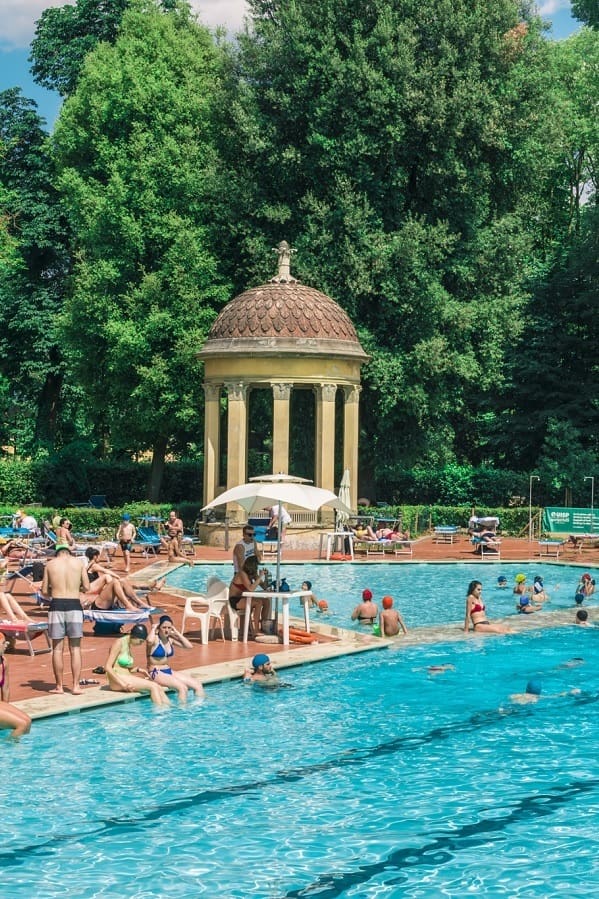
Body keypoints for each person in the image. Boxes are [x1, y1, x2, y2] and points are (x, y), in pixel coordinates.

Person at [41, 544, 90, 695]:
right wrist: (76, 589)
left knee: (57, 649)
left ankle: (59, 686)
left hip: (56, 604)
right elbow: (87, 587)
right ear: (69, 552)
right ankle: (75, 686)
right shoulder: (79, 563)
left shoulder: (50, 564)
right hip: (74, 605)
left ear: (57, 553)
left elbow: (43, 591)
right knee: (75, 648)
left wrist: (53, 591)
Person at [105, 623, 170, 706]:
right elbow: (108, 667)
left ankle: (168, 710)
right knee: (153, 687)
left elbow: (122, 667)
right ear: (135, 636)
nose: (140, 644)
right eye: (140, 641)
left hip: (125, 677)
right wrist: (123, 685)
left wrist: (139, 670)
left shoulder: (128, 644)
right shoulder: (119, 643)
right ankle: (159, 714)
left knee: (158, 687)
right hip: (117, 680)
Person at [146, 615, 204, 703]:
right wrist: (154, 628)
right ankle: (182, 712)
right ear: (159, 628)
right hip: (155, 672)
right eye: (164, 627)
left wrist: (177, 633)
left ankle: (198, 709)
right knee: (182, 688)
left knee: (197, 685)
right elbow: (149, 641)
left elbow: (189, 646)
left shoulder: (170, 640)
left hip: (168, 671)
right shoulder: (155, 639)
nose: (166, 630)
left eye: (169, 628)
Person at [82, 547, 152, 611]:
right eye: (99, 556)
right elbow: (106, 571)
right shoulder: (94, 565)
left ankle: (139, 599)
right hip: (91, 591)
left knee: (122, 581)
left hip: (94, 590)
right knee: (108, 577)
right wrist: (117, 577)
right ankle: (138, 590)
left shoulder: (90, 565)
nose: (99, 558)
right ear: (95, 556)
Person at [0, 632, 32, 737]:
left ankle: (17, 744)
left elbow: (6, 688)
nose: (7, 645)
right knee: (21, 724)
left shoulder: (4, 662)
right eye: (4, 643)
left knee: (27, 721)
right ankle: (9, 749)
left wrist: (6, 710)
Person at [229, 556, 269, 635]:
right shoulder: (242, 574)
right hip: (235, 600)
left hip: (244, 598)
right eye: (256, 566)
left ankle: (264, 626)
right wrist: (260, 576)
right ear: (252, 565)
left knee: (266, 601)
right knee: (258, 602)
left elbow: (264, 586)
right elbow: (251, 589)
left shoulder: (253, 574)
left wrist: (266, 576)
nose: (257, 567)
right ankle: (256, 630)